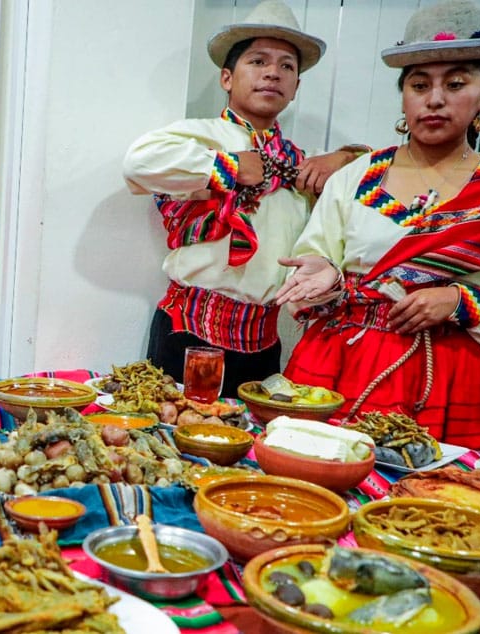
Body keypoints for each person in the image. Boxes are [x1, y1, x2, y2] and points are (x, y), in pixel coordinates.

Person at [275, 0, 480, 454]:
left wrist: (458, 301)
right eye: (420, 84)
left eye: (456, 82)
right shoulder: (356, 178)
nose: (435, 99)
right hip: (342, 367)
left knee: (439, 511)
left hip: (456, 380)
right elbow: (310, 264)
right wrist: (323, 276)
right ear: (404, 95)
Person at [122, 0, 362, 395]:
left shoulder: (301, 165)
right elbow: (138, 163)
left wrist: (344, 157)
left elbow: (373, 176)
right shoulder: (199, 137)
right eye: (258, 61)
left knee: (250, 446)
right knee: (174, 441)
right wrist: (230, 168)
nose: (273, 72)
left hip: (264, 345)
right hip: (189, 333)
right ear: (227, 78)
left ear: (296, 87)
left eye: (287, 66)